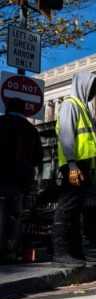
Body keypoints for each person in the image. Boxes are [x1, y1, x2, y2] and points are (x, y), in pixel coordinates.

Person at [52, 71, 96, 267]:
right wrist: (72, 164)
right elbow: (66, 135)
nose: (94, 93)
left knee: (76, 210)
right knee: (66, 207)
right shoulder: (70, 105)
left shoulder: (84, 108)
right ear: (83, 86)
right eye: (92, 88)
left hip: (83, 165)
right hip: (73, 165)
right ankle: (61, 251)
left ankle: (76, 252)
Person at [0, 98, 43, 262]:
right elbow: (38, 157)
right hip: (21, 178)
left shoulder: (1, 122)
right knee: (15, 214)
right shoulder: (30, 129)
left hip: (2, 174)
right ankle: (10, 250)